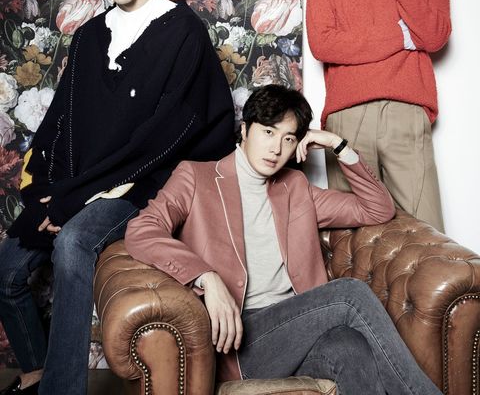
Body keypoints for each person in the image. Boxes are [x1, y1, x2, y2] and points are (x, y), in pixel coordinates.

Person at [0, 0, 235, 395]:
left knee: (73, 242)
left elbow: (163, 138)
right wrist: (46, 190)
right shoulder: (89, 36)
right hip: (80, 182)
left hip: (141, 184)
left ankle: (61, 391)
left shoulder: (182, 32)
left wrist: (78, 201)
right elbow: (61, 120)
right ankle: (39, 371)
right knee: (6, 272)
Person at [125, 84, 442, 395]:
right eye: (268, 132)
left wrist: (337, 144)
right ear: (245, 130)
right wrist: (206, 277)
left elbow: (377, 208)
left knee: (349, 346)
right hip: (240, 340)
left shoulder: (295, 187)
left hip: (298, 329)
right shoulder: (196, 177)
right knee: (350, 294)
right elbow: (143, 229)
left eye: (288, 138)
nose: (276, 148)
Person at [306, 0, 451, 232]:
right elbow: (323, 43)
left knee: (427, 235)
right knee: (353, 239)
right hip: (347, 114)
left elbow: (434, 36)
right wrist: (401, 37)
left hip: (406, 110)